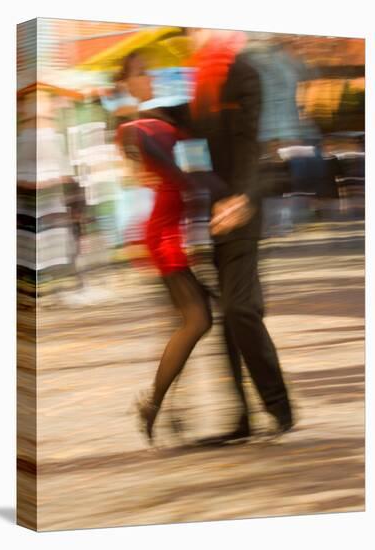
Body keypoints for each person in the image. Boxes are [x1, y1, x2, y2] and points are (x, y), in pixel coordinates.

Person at [167, 28, 294, 443]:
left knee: (240, 309)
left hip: (244, 208)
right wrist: (143, 115)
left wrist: (239, 198)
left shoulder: (244, 73)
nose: (191, 35)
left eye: (196, 28)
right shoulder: (202, 81)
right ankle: (242, 418)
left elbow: (251, 145)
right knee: (232, 316)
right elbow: (187, 120)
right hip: (217, 213)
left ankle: (279, 407)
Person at [115, 52, 218, 444]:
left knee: (191, 322)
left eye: (149, 71)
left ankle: (168, 407)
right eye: (141, 73)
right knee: (195, 320)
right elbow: (139, 155)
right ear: (126, 82)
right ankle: (158, 405)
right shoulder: (138, 123)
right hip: (163, 234)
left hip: (169, 229)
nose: (150, 78)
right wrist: (184, 183)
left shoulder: (161, 116)